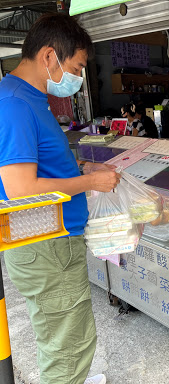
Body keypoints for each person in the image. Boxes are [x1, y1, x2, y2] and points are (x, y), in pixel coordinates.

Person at [0, 13, 120, 384]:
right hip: (45, 244)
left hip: (48, 241)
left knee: (60, 331)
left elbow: (36, 165)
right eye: (77, 67)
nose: (79, 78)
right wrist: (90, 182)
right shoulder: (16, 104)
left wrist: (76, 167)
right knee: (68, 342)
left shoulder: (26, 97)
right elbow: (20, 189)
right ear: (50, 56)